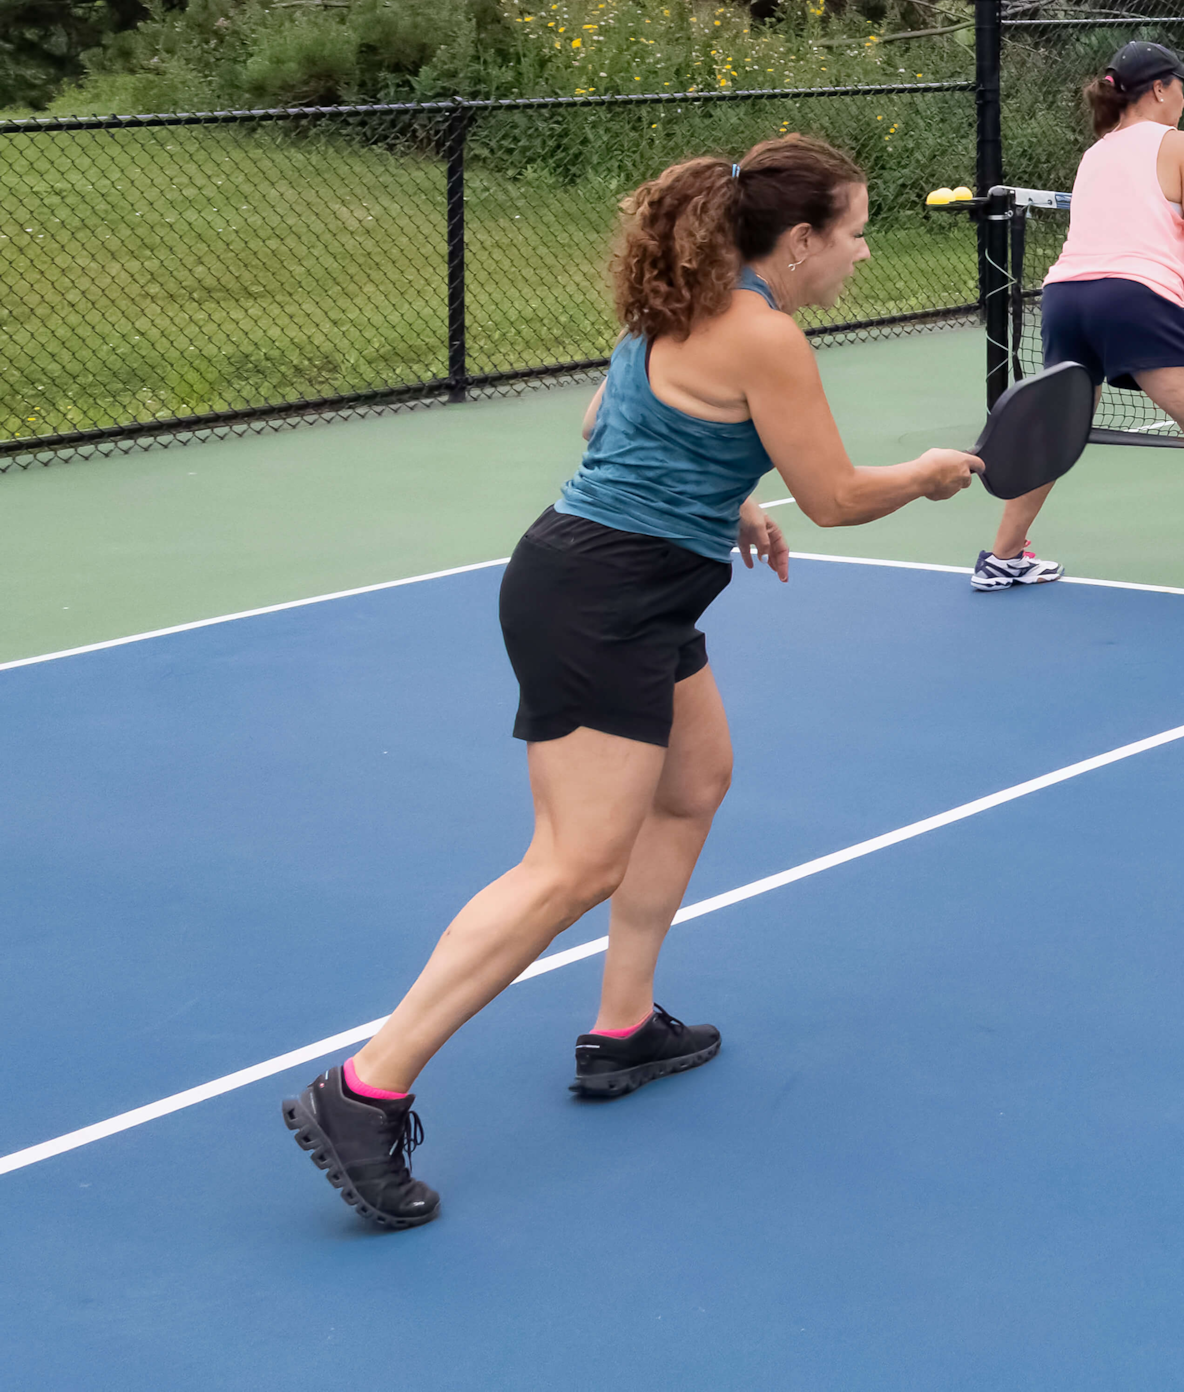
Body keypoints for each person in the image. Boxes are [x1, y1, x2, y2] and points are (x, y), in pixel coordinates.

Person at [280, 135, 981, 1229]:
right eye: (852, 233)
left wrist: (730, 498)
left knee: (697, 778)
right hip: (603, 599)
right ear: (798, 243)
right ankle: (364, 1088)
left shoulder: (675, 303)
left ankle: (623, 1025)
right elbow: (839, 497)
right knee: (571, 866)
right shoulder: (767, 336)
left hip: (623, 582)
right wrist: (930, 476)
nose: (863, 252)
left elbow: (609, 422)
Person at [973, 38, 1184, 617]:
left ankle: (1002, 557)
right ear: (1158, 89)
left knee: (1059, 430)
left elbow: (1136, 242)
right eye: (1180, 85)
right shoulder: (1182, 145)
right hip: (1134, 303)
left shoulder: (1097, 153)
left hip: (1065, 297)